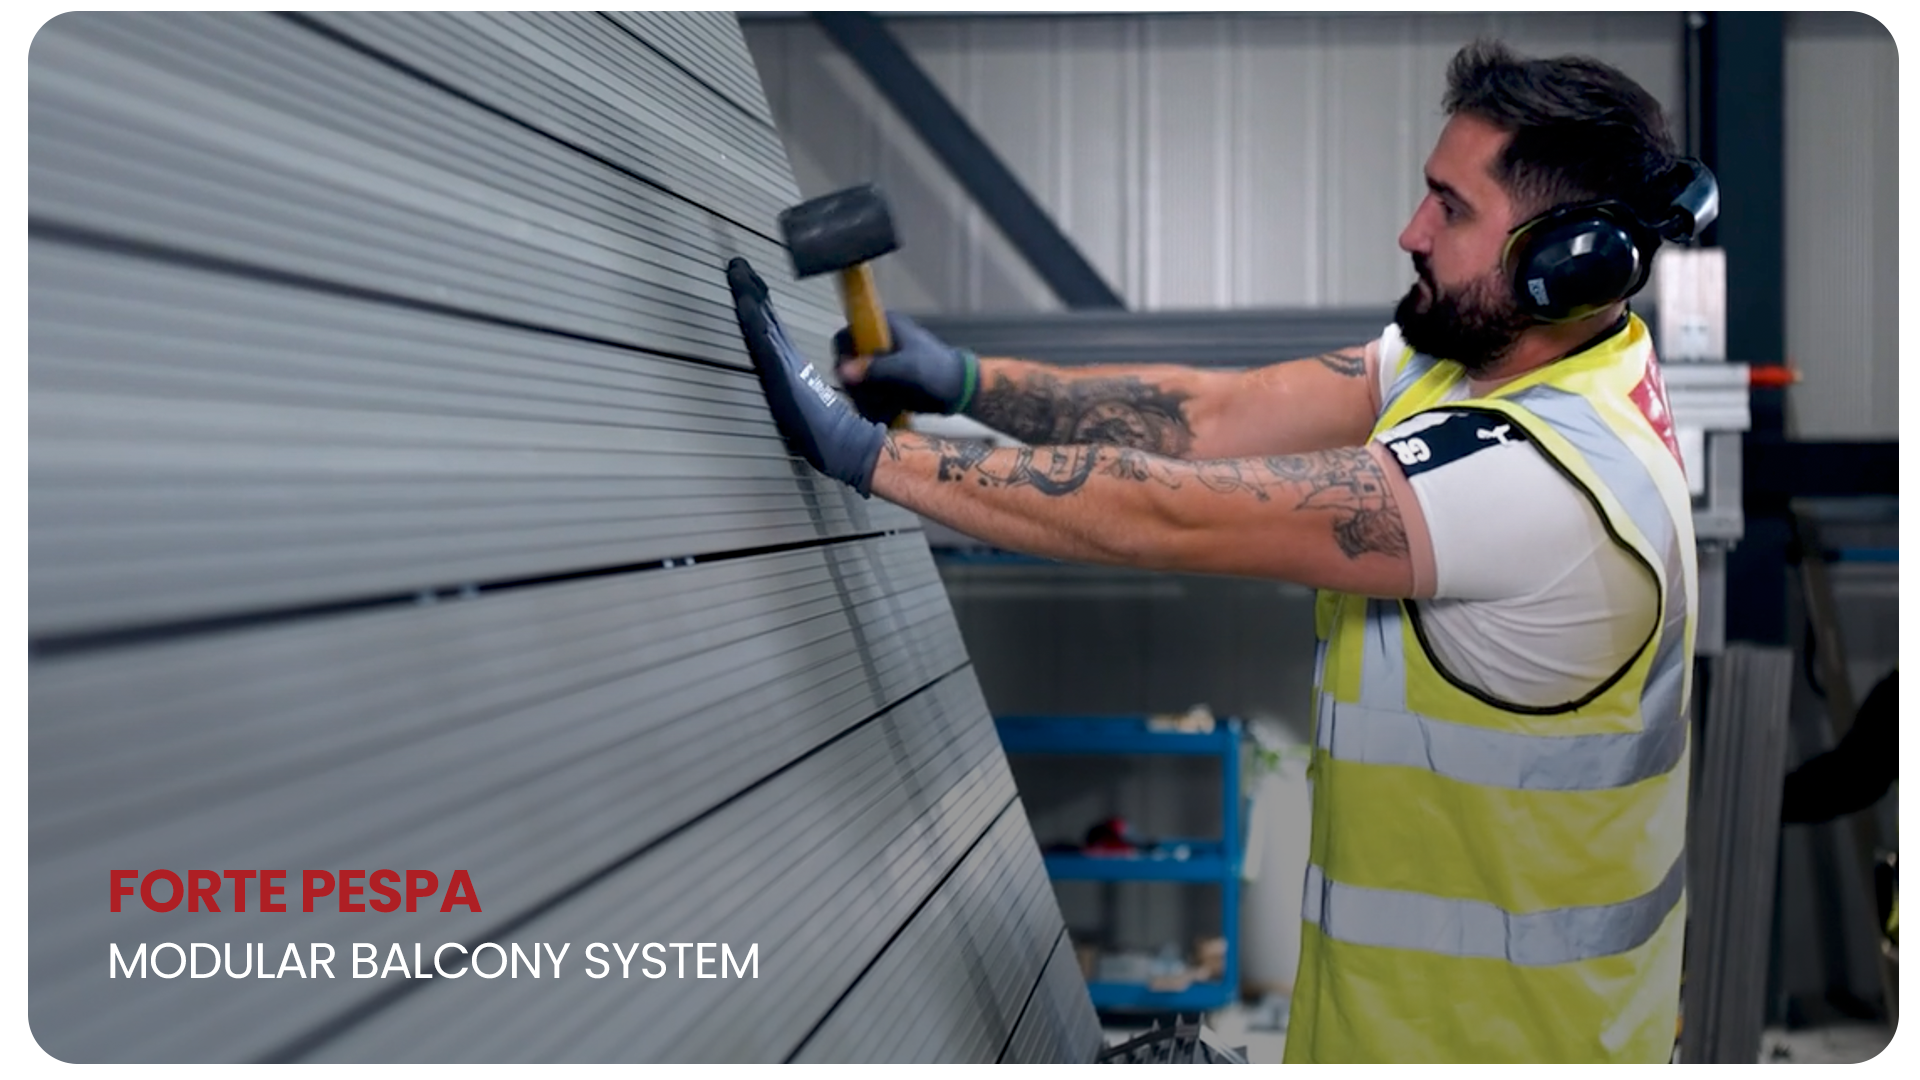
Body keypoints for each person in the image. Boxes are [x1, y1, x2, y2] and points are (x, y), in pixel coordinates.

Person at [729, 38, 1716, 1065]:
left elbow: (1177, 513)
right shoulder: (1482, 362)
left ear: (1572, 263)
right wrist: (965, 381)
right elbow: (1215, 415)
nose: (1411, 230)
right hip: (1400, 1039)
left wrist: (872, 459)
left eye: (1452, 209)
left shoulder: (1534, 479)